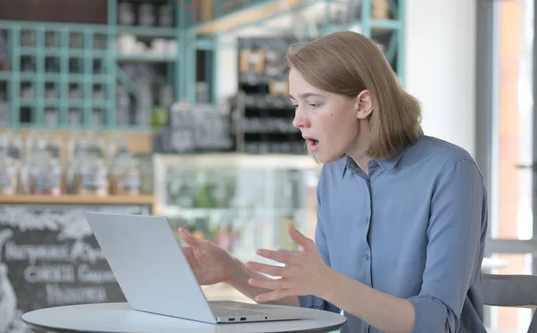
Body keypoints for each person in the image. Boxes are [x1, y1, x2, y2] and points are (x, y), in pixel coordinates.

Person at [178, 31, 488, 333]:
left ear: (363, 104)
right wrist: (230, 271)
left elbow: (436, 322)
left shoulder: (450, 171)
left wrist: (330, 283)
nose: (298, 120)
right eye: (295, 104)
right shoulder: (334, 177)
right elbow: (319, 303)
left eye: (313, 104)